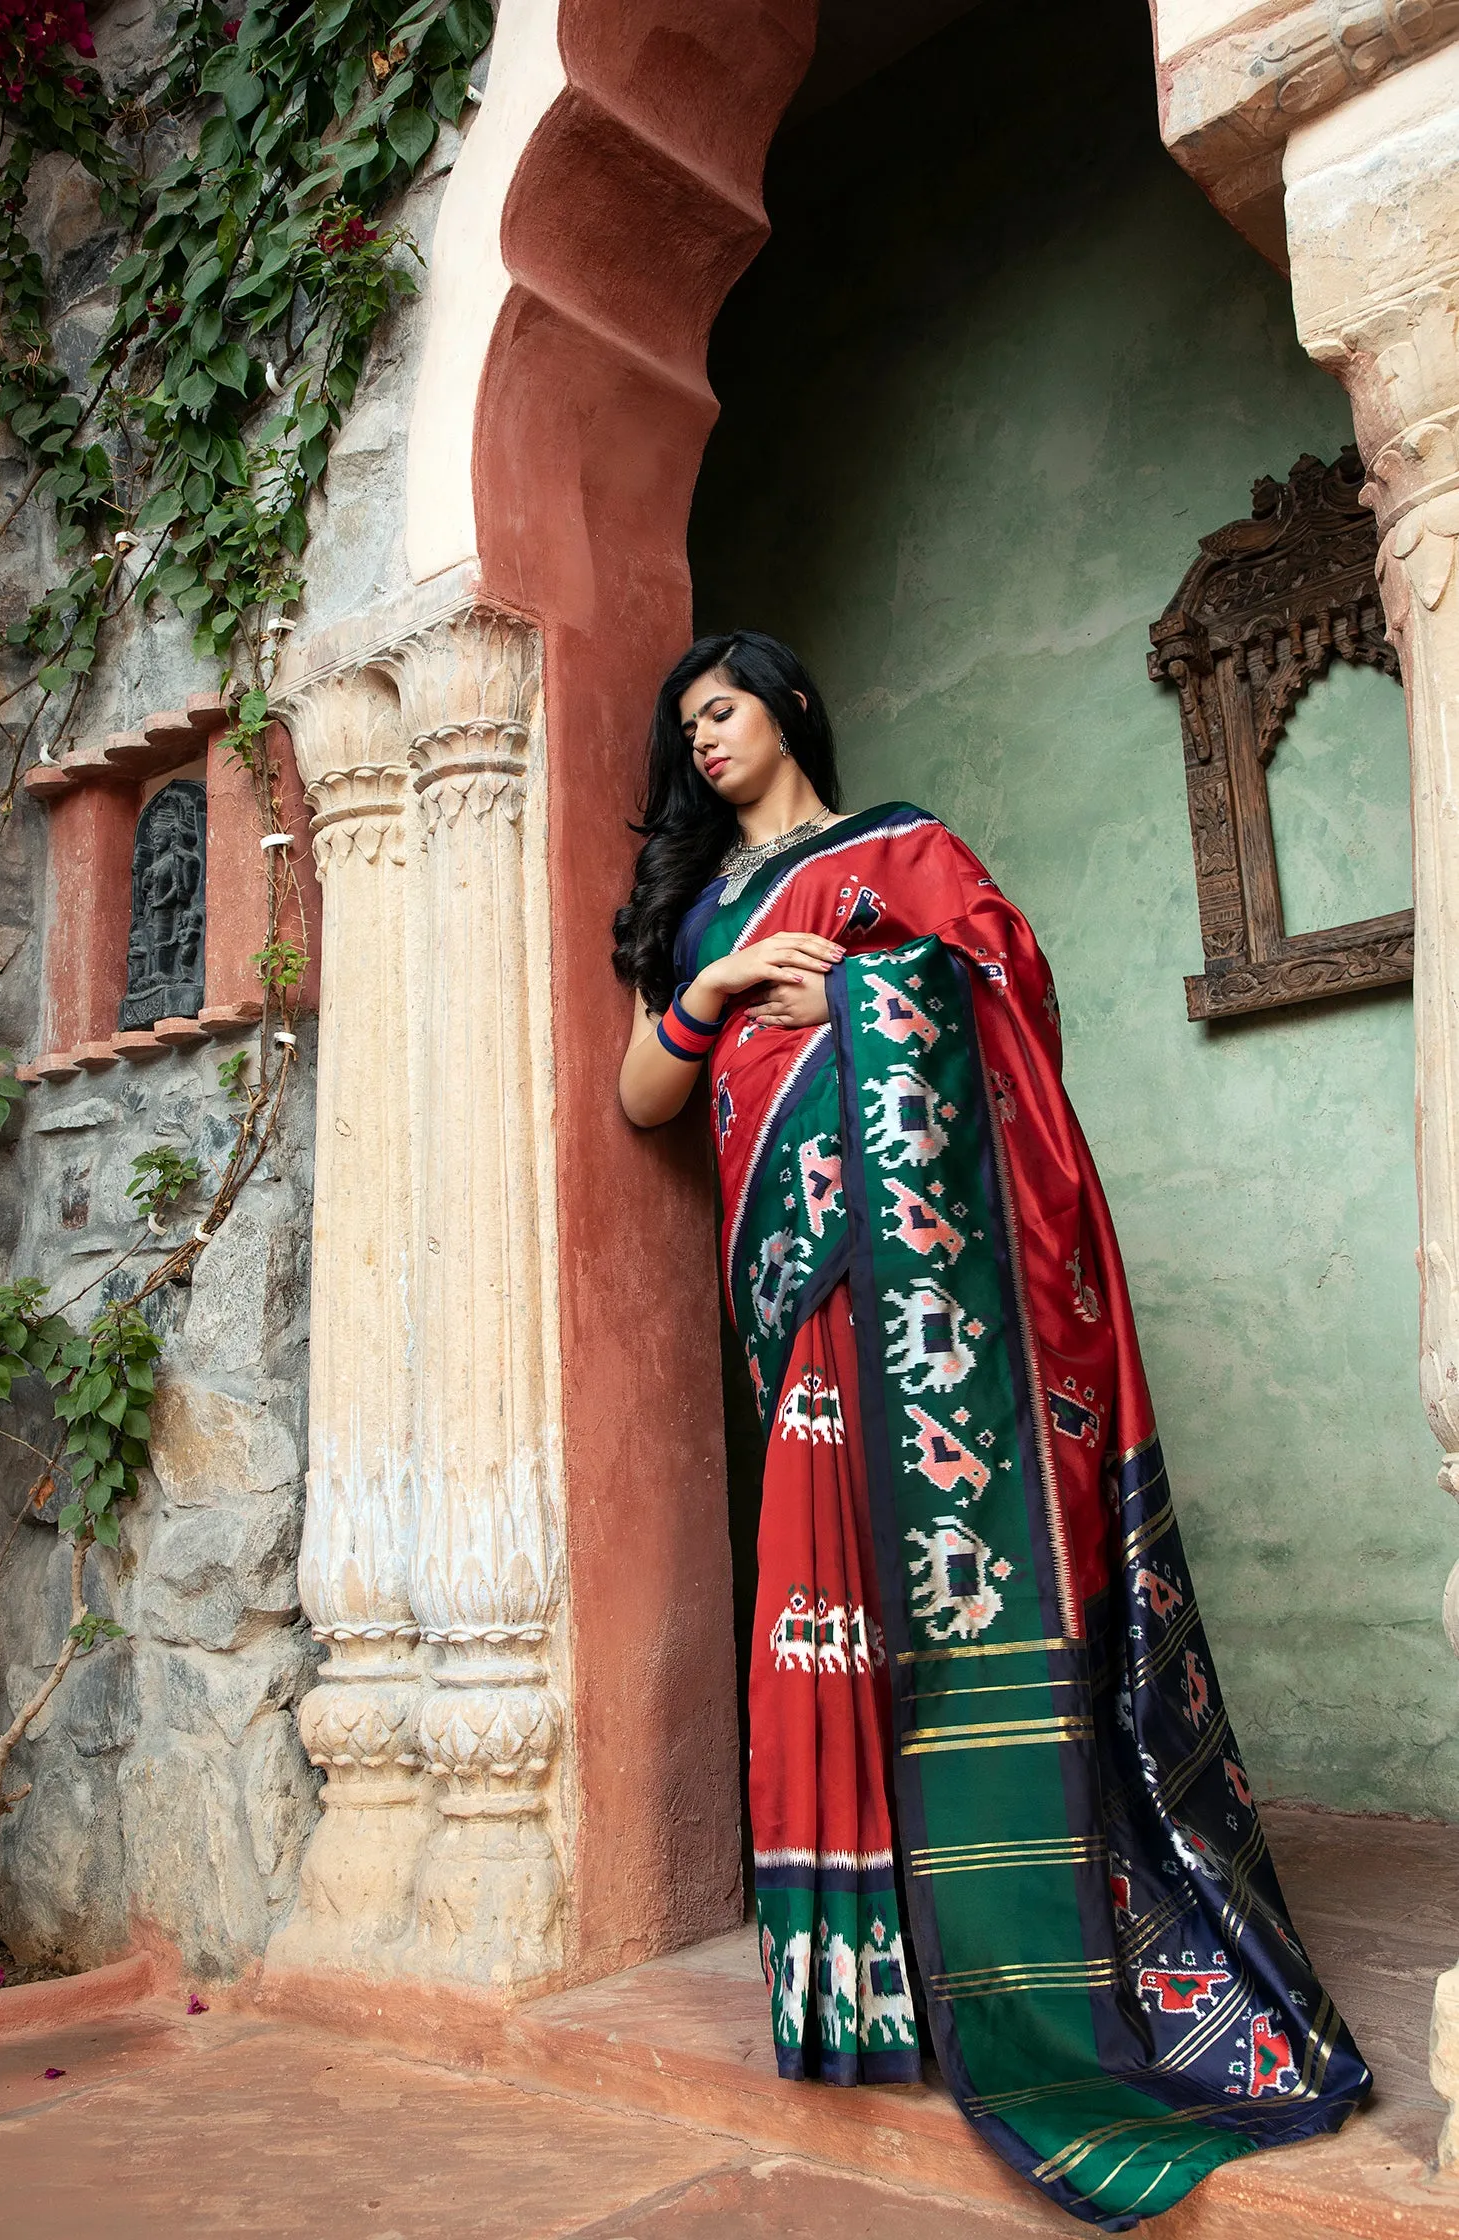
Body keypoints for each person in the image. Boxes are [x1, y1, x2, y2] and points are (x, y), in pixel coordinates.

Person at [613, 631, 1371, 2230]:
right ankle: (853, 1976)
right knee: (819, 1600)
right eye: (684, 724)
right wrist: (728, 984)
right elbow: (642, 1098)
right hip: (797, 1294)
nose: (703, 740)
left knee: (935, 1592)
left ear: (790, 710)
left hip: (926, 1294)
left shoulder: (902, 852)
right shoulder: (703, 915)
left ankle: (990, 1935)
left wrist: (887, 998)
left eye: (724, 709)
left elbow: (1011, 1008)